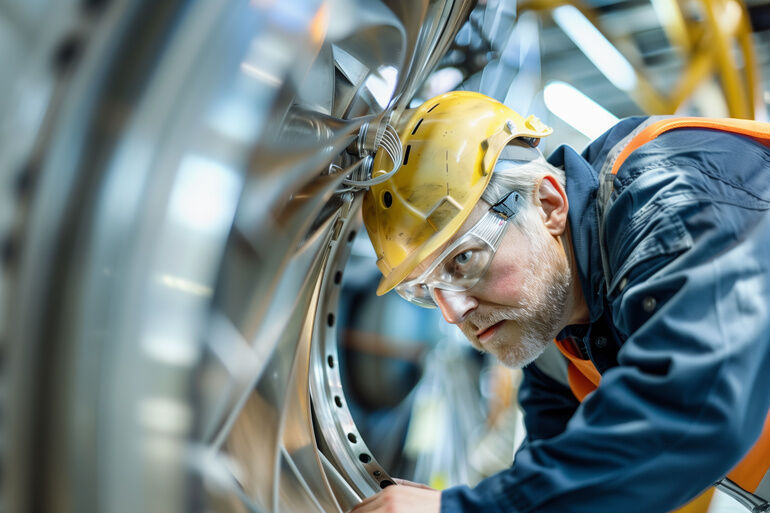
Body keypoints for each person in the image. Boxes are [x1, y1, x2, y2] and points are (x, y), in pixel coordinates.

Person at [351, 91, 770, 513]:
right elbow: (564, 489)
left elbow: (695, 410)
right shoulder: (557, 339)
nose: (452, 312)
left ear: (548, 204)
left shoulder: (671, 202)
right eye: (426, 290)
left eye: (463, 259)